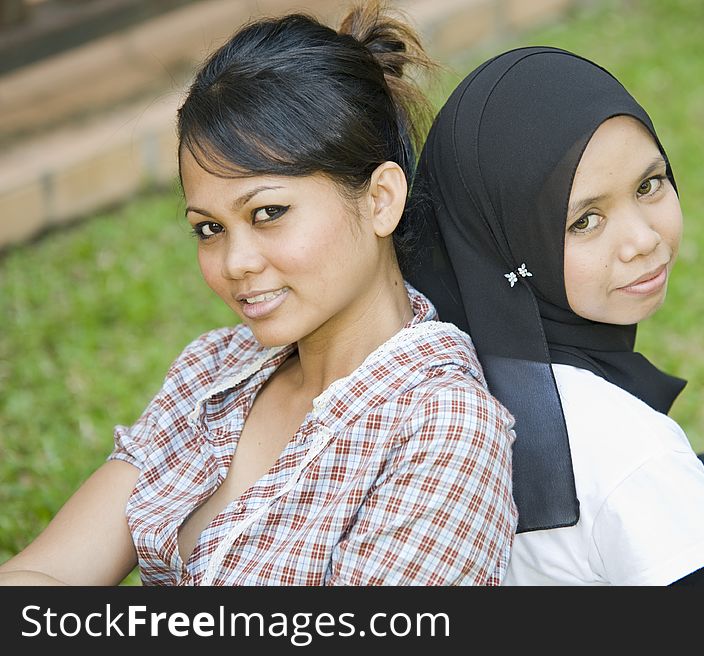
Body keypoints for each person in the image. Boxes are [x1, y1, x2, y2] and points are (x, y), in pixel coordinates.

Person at [0, 1, 517, 586]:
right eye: (209, 229)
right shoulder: (213, 375)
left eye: (269, 212)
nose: (236, 263)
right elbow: (44, 574)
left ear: (380, 200)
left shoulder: (441, 429)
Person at [408, 45, 704, 585]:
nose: (643, 239)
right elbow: (642, 484)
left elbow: (662, 505)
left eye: (648, 185)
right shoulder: (620, 447)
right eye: (585, 220)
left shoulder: (453, 369)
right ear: (506, 240)